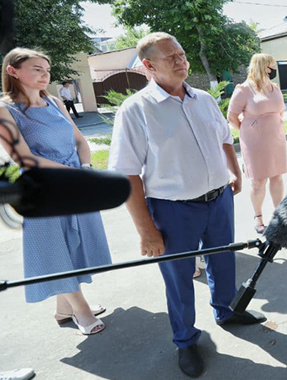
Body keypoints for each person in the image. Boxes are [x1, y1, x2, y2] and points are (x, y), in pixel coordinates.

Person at [108, 32, 264, 378]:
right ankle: (185, 340)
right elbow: (127, 174)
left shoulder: (204, 99)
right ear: (148, 66)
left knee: (223, 261)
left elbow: (225, 138)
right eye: (171, 57)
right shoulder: (136, 110)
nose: (181, 61)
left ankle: (226, 310)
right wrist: (146, 230)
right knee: (179, 278)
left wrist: (234, 173)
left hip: (218, 199)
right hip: (173, 210)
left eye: (182, 54)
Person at [0, 48, 111, 335]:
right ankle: (80, 311)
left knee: (74, 244)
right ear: (13, 71)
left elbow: (79, 140)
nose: (44, 74)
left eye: (47, 69)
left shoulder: (54, 101)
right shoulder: (5, 111)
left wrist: (85, 167)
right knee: (55, 250)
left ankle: (64, 309)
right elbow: (24, 158)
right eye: (36, 68)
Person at [227, 53, 287, 234]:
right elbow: (231, 116)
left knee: (277, 177)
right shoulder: (244, 89)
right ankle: (258, 217)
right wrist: (248, 131)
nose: (274, 69)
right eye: (272, 65)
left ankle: (279, 216)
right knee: (258, 181)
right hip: (254, 143)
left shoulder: (274, 88)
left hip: (276, 138)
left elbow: (281, 111)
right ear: (263, 66)